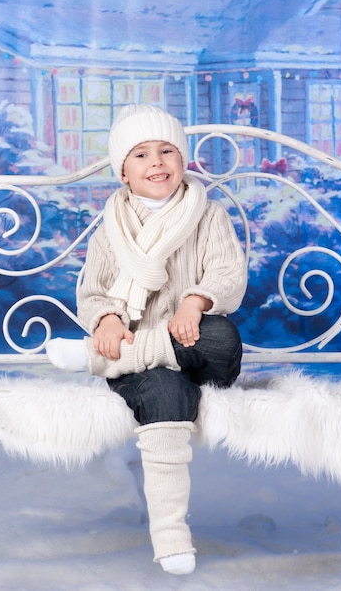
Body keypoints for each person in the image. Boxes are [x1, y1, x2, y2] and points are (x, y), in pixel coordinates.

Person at [75, 104, 247, 575]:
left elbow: (229, 274)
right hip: (143, 362)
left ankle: (97, 360)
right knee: (168, 390)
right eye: (142, 154)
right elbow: (91, 292)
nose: (157, 162)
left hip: (192, 345)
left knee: (224, 340)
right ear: (123, 173)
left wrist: (195, 303)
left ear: (183, 160)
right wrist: (107, 320)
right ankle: (171, 534)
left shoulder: (208, 215)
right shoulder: (111, 230)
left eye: (168, 150)